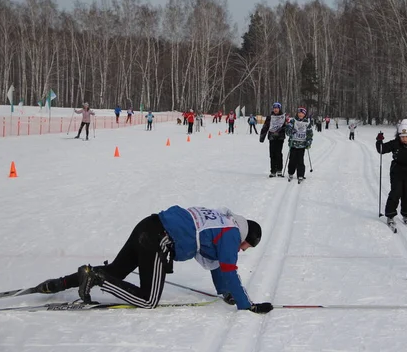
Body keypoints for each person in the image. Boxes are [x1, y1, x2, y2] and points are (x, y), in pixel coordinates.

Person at [34, 206, 273, 313]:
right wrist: (247, 305)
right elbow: (229, 270)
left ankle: (60, 283)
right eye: (246, 246)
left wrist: (225, 292)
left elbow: (217, 266)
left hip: (148, 225)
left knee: (116, 271)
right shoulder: (232, 234)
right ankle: (96, 278)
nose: (242, 250)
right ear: (245, 236)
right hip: (159, 239)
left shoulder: (223, 220)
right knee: (148, 300)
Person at [260, 102, 287, 177]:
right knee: (272, 154)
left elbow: (286, 127)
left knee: (278, 153)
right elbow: (265, 126)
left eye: (277, 108)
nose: (275, 109)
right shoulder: (270, 117)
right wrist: (262, 137)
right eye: (274, 108)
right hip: (272, 137)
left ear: (279, 109)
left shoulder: (282, 117)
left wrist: (285, 131)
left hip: (280, 137)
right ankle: (273, 170)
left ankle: (279, 169)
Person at [286, 107, 313, 182]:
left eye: (302, 113)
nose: (300, 114)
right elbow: (287, 131)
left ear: (304, 114)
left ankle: (300, 174)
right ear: (297, 113)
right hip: (293, 144)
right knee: (292, 159)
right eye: (299, 113)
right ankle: (291, 172)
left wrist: (308, 142)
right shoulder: (293, 121)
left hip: (302, 145)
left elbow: (310, 134)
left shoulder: (307, 122)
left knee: (300, 160)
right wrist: (291, 131)